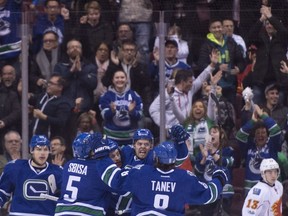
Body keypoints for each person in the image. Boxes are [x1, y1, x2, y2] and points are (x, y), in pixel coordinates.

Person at [101, 141, 229, 215]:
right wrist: (220, 177)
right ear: (174, 160)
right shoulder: (184, 178)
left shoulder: (141, 172)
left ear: (156, 158)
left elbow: (114, 179)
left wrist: (100, 157)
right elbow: (209, 195)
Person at [149, 49, 219, 130]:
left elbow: (201, 78)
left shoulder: (190, 90)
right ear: (182, 82)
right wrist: (165, 126)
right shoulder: (168, 93)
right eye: (190, 82)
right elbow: (153, 109)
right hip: (172, 131)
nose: (192, 84)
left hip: (187, 129)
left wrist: (212, 65)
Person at [55, 132, 116, 216]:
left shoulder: (68, 165)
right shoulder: (97, 168)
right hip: (85, 213)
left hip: (61, 212)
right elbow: (121, 188)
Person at [0, 135, 62, 215]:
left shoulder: (58, 172)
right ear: (31, 150)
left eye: (45, 149)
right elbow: (2, 192)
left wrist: (58, 193)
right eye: (39, 149)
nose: (42, 153)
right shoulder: (15, 168)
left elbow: (65, 199)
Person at [247, 4, 288, 105]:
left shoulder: (281, 38)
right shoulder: (260, 38)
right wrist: (261, 19)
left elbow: (283, 31)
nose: (269, 25)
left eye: (271, 23)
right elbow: (249, 37)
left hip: (278, 80)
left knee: (279, 108)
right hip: (260, 80)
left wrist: (270, 16)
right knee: (257, 107)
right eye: (267, 23)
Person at [198, 18, 245, 104]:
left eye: (219, 27)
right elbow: (201, 64)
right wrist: (217, 67)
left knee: (231, 111)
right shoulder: (206, 45)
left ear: (222, 28)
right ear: (210, 30)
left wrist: (239, 69)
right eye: (214, 27)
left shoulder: (231, 42)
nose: (217, 29)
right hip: (214, 85)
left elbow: (241, 60)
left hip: (230, 85)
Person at [236, 104, 282, 194]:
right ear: (254, 134)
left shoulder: (272, 145)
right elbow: (239, 136)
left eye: (263, 133)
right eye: (258, 133)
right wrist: (252, 121)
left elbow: (276, 130)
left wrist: (262, 115)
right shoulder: (250, 145)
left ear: (267, 134)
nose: (261, 135)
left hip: (269, 187)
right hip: (250, 188)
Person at [194, 126, 235, 215]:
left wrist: (212, 152)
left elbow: (227, 163)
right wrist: (204, 157)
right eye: (210, 132)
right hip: (207, 191)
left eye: (215, 132)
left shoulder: (228, 150)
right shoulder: (203, 152)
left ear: (222, 135)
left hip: (224, 192)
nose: (211, 134)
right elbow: (198, 172)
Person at [99, 70, 143, 146]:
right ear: (113, 80)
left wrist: (132, 112)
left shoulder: (135, 95)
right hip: (111, 137)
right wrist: (111, 111)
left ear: (126, 79)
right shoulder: (106, 96)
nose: (120, 80)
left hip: (130, 138)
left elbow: (140, 116)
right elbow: (104, 117)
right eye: (117, 78)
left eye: (122, 77)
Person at [29, 74, 72, 139]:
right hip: (33, 136)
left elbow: (61, 121)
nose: (48, 85)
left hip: (48, 138)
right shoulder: (43, 96)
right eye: (49, 82)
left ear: (60, 87)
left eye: (52, 83)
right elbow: (32, 100)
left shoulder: (63, 103)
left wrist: (44, 117)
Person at [29, 30, 61, 94]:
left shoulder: (62, 54)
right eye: (45, 41)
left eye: (51, 41)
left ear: (56, 42)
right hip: (43, 90)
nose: (48, 43)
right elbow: (32, 75)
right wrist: (37, 80)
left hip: (60, 89)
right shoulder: (37, 57)